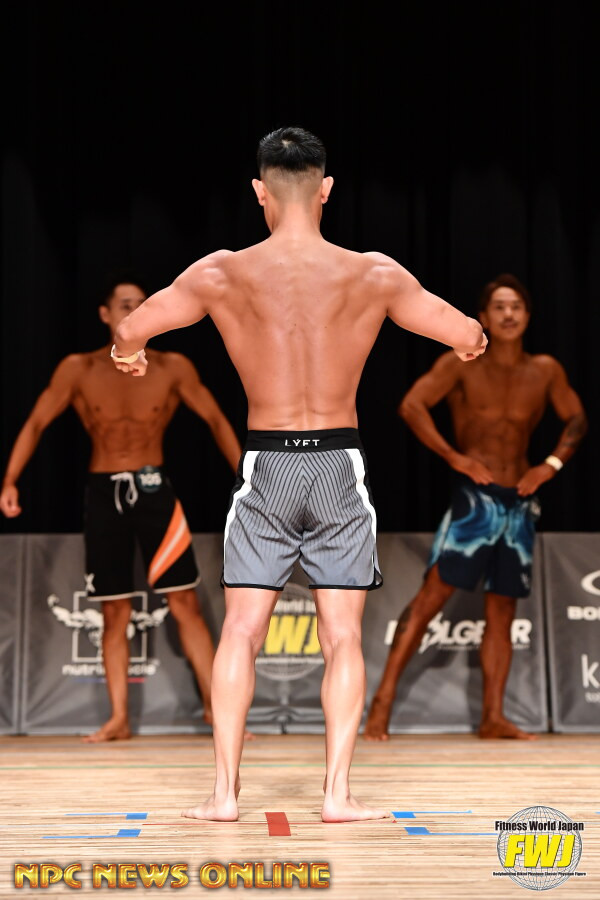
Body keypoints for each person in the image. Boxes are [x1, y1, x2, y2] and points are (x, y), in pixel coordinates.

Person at [108, 126, 487, 822]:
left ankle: (224, 796)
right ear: (326, 189)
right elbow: (466, 333)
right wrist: (472, 341)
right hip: (338, 464)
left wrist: (126, 354)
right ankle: (337, 796)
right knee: (342, 637)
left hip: (269, 465)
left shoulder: (222, 273)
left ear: (259, 191)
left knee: (241, 632)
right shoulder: (373, 273)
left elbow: (132, 330)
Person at [0, 274, 242, 742]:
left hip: (154, 490)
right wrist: (10, 479)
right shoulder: (78, 369)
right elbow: (36, 423)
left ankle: (218, 712)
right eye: (126, 304)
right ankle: (119, 718)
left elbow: (215, 419)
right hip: (103, 492)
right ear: (105, 314)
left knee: (185, 603)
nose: (135, 310)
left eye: (142, 303)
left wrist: (248, 477)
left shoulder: (173, 367)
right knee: (115, 611)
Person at [364, 273, 587, 742]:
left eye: (516, 307)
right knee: (431, 598)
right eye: (499, 307)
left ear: (527, 316)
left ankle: (492, 717)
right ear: (483, 317)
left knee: (503, 610)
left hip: (519, 500)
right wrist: (455, 457)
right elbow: (412, 405)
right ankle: (380, 705)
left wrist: (549, 466)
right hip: (475, 501)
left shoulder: (544, 370)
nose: (508, 314)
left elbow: (577, 418)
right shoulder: (460, 363)